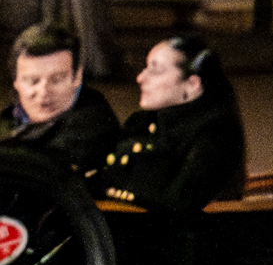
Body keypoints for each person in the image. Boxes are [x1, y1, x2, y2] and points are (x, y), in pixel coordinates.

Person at [113, 33, 247, 215]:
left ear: (192, 84)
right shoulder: (145, 122)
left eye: (156, 71)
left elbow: (177, 203)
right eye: (145, 68)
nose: (140, 78)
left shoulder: (216, 133)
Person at [2, 24, 122, 187]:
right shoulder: (10, 119)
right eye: (32, 81)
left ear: (77, 77)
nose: (44, 91)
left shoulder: (93, 128)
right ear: (16, 82)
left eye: (56, 80)